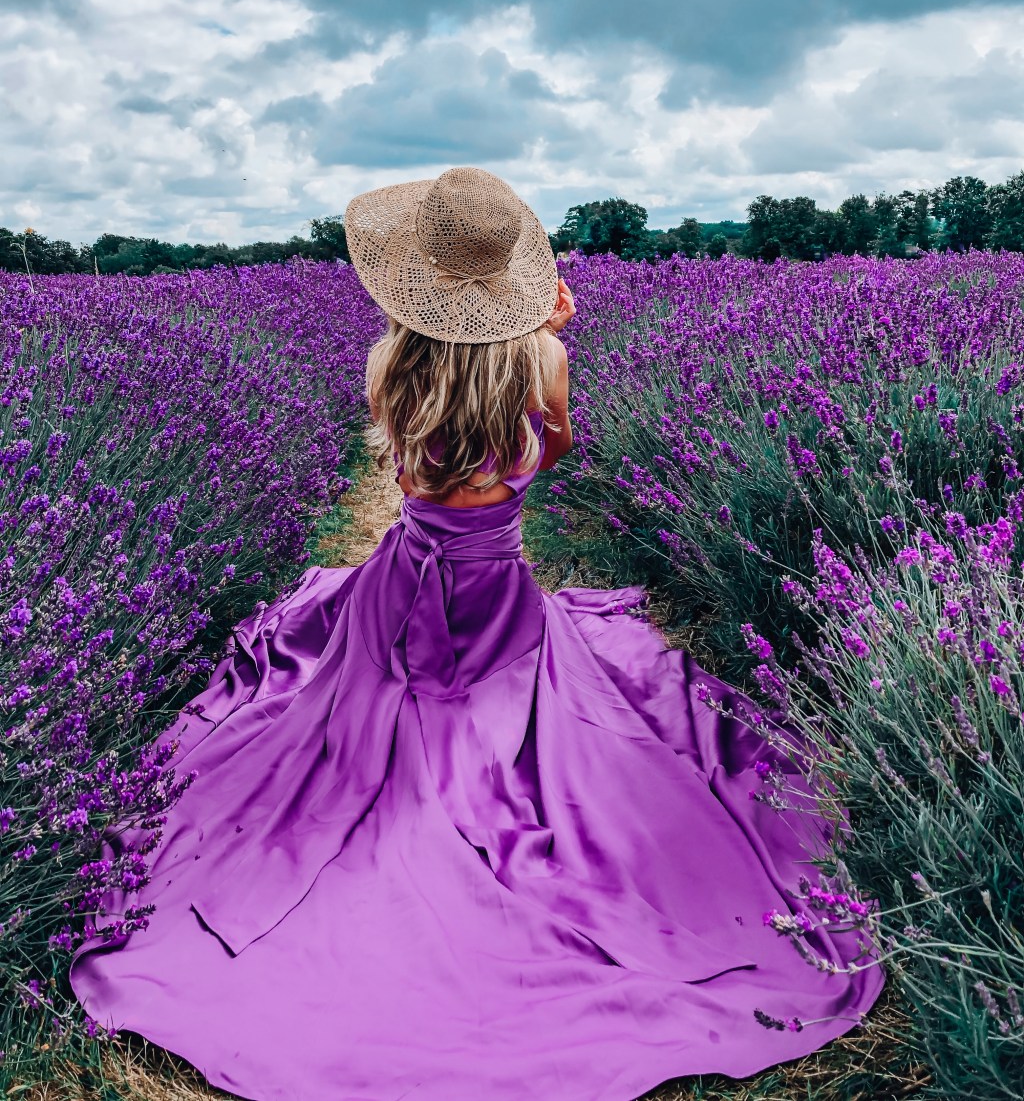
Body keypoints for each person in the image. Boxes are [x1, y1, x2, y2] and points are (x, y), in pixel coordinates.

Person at [70, 167, 884, 1100]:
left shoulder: (391, 367)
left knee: (346, 707)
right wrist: (546, 341)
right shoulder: (545, 366)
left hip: (401, 590)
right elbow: (557, 449)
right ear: (513, 282)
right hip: (499, 592)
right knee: (540, 728)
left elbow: (406, 462)